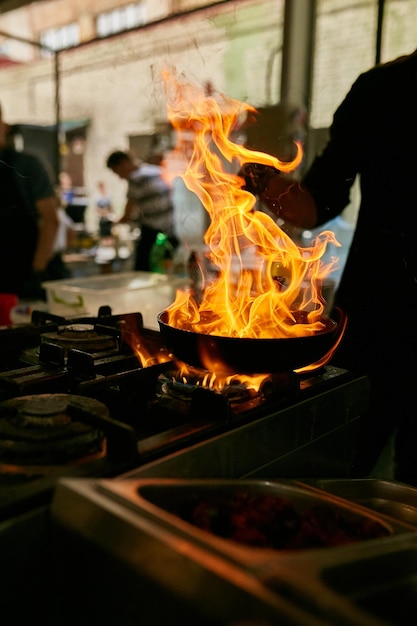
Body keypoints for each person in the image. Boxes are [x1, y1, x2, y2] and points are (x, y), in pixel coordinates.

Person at [241, 49, 417, 486]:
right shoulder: (382, 89)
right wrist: (258, 181)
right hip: (382, 307)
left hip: (381, 302)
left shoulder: (381, 86)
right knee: (348, 458)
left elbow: (314, 206)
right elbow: (315, 203)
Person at [0, 104, 59, 323]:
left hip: (23, 277)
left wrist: (37, 270)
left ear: (4, 126)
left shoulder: (26, 165)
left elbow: (50, 221)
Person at [106, 150, 177, 271]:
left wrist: (116, 222)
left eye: (116, 171)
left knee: (143, 269)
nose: (119, 176)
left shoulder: (136, 179)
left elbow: (128, 213)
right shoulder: (154, 170)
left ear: (123, 164)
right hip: (172, 229)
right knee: (167, 268)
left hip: (153, 233)